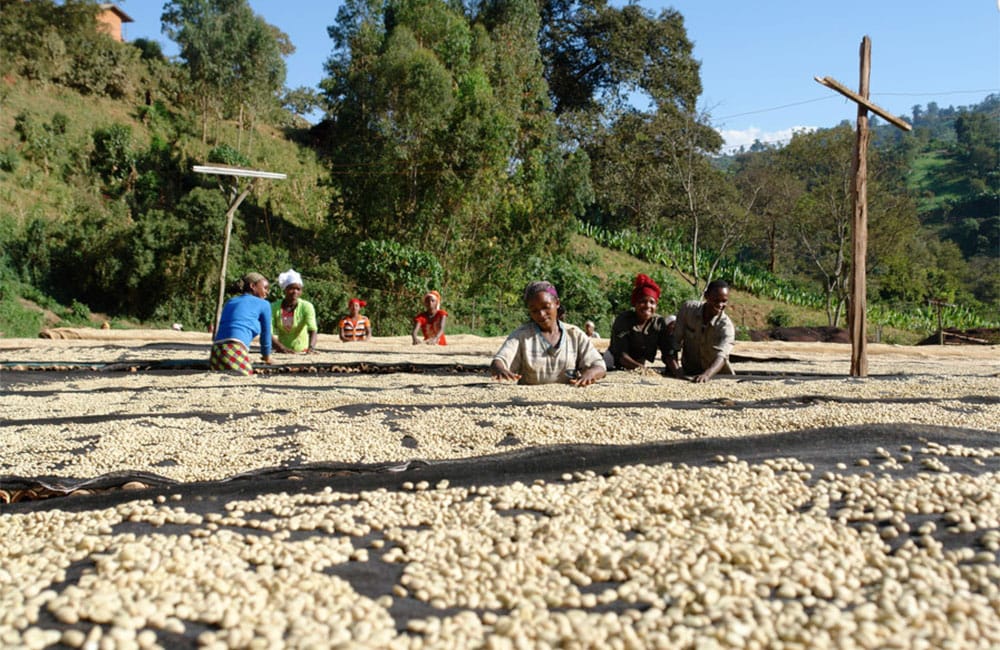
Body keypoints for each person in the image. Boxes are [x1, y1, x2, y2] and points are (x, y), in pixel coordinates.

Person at [491, 281, 606, 386]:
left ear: (557, 303)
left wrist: (590, 374)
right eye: (534, 310)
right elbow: (499, 361)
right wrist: (500, 370)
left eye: (546, 307)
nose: (541, 314)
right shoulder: (522, 336)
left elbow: (599, 365)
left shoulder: (575, 334)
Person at [666, 279, 736, 383]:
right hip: (689, 372)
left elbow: (722, 356)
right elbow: (674, 342)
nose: (720, 305)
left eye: (724, 301)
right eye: (716, 300)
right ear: (706, 296)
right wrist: (677, 371)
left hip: (718, 376)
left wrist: (707, 375)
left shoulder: (726, 327)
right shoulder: (688, 310)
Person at [209, 272, 273, 375]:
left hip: (216, 353)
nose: (267, 292)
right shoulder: (264, 304)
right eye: (265, 288)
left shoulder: (230, 301)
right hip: (234, 349)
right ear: (253, 286)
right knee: (248, 373)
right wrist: (267, 357)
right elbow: (266, 335)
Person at [607, 274, 674, 371]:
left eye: (652, 302)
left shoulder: (658, 322)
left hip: (639, 364)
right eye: (643, 301)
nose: (647, 306)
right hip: (615, 362)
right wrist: (642, 369)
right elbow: (621, 354)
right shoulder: (624, 320)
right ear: (635, 303)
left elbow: (667, 350)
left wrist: (677, 371)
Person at [271, 269, 318, 354]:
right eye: (291, 288)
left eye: (298, 289)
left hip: (303, 351)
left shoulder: (306, 306)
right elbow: (268, 332)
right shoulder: (274, 307)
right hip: (281, 352)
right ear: (285, 289)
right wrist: (282, 348)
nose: (295, 292)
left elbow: (313, 329)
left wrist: (311, 348)